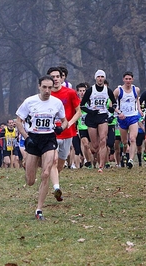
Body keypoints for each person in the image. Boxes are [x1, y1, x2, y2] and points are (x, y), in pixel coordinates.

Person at [15, 75, 68, 220]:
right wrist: (26, 138)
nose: (47, 90)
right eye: (44, 87)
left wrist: (60, 129)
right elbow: (18, 121)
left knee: (46, 173)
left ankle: (39, 210)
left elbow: (65, 121)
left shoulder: (56, 103)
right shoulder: (30, 101)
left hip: (49, 139)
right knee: (30, 181)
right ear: (39, 86)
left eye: (50, 87)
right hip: (33, 139)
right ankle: (28, 165)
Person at [79, 70, 117, 172]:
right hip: (91, 117)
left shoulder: (107, 90)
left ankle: (101, 166)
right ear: (95, 78)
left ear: (104, 78)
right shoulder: (90, 90)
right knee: (95, 146)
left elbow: (114, 102)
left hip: (102, 116)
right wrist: (91, 111)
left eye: (102, 77)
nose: (100, 79)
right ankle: (93, 155)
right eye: (98, 77)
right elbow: (82, 105)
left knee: (103, 140)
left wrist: (112, 109)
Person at [46, 67, 81, 174]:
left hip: (67, 132)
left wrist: (69, 123)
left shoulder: (70, 93)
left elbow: (79, 112)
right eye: (53, 77)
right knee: (53, 160)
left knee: (60, 164)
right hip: (51, 133)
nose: (56, 79)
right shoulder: (46, 94)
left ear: (62, 78)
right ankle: (52, 183)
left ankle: (55, 178)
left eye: (58, 76)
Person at [113, 71, 143, 169]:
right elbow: (111, 104)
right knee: (125, 141)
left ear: (132, 79)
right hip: (122, 118)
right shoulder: (118, 91)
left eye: (130, 79)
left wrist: (139, 109)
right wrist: (118, 112)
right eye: (126, 79)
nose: (128, 81)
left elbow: (137, 99)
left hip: (133, 117)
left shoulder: (136, 89)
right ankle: (126, 153)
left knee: (133, 138)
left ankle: (131, 160)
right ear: (123, 80)